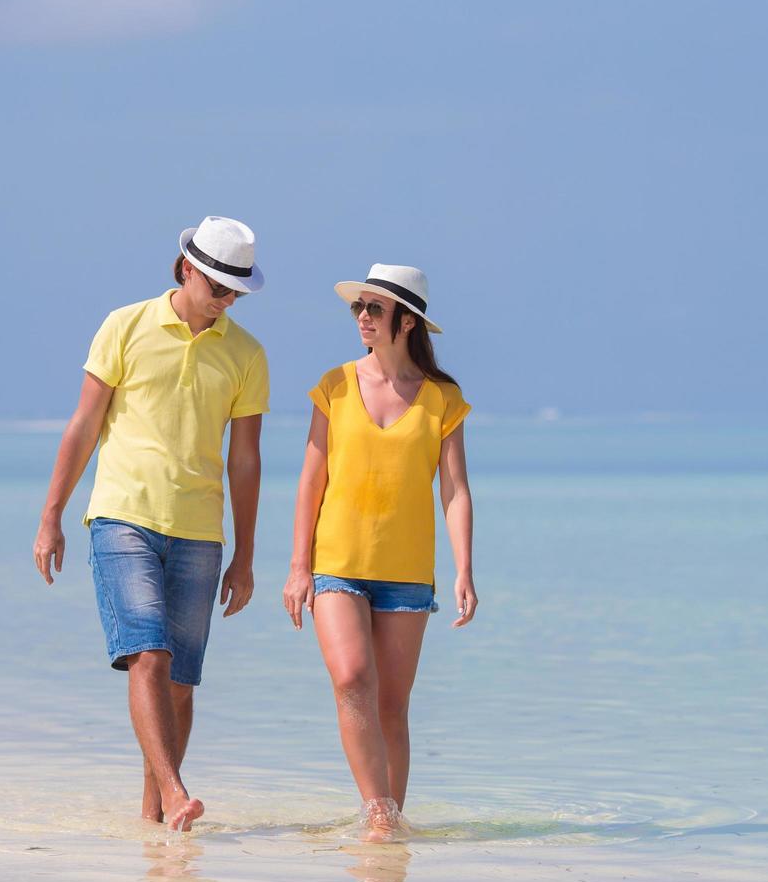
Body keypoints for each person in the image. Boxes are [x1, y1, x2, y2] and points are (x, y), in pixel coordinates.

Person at [33, 215, 269, 832]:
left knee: (181, 683)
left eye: (234, 292)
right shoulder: (125, 325)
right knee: (149, 656)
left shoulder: (246, 354)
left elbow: (245, 462)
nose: (225, 301)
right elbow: (84, 426)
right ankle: (174, 789)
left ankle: (153, 820)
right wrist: (51, 515)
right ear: (186, 269)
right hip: (122, 518)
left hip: (200, 531)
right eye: (217, 287)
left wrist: (246, 555)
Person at [283, 263, 478, 841]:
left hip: (407, 574)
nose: (362, 318)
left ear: (406, 320)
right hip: (336, 563)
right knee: (351, 679)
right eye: (358, 308)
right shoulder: (335, 385)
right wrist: (298, 567)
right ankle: (375, 809)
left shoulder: (443, 398)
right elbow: (310, 481)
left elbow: (456, 489)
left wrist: (464, 569)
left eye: (374, 308)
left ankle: (389, 822)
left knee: (392, 704)